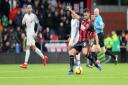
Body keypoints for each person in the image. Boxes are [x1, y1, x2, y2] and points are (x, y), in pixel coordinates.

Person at [67, 7, 102, 75]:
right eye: (84, 15)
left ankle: (95, 64)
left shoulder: (91, 24)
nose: (84, 16)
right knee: (71, 52)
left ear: (89, 14)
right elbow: (76, 15)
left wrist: (97, 44)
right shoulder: (82, 20)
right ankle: (71, 70)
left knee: (85, 53)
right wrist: (70, 10)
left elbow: (95, 35)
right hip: (79, 41)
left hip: (85, 41)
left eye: (86, 15)